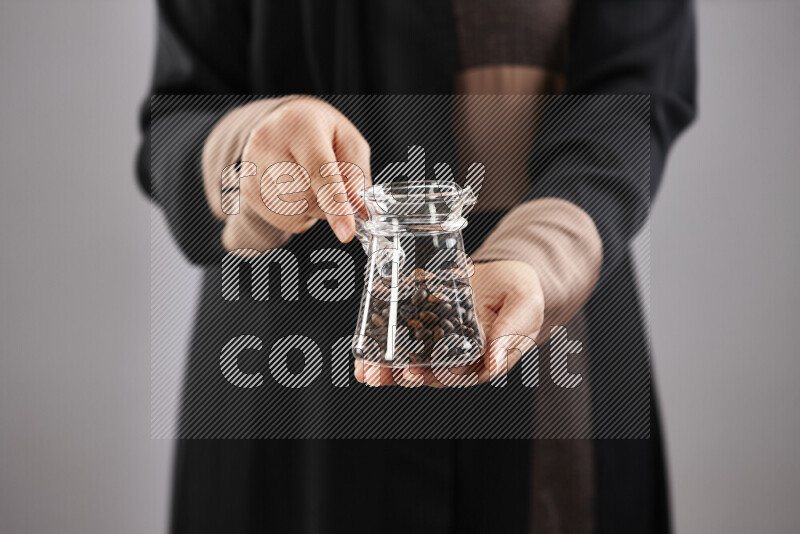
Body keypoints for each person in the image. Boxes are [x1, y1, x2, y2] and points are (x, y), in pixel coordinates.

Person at [138, 0, 696, 532]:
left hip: (553, 338)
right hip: (296, 393)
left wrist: (542, 251)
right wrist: (252, 156)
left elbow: (633, 94)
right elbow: (178, 118)